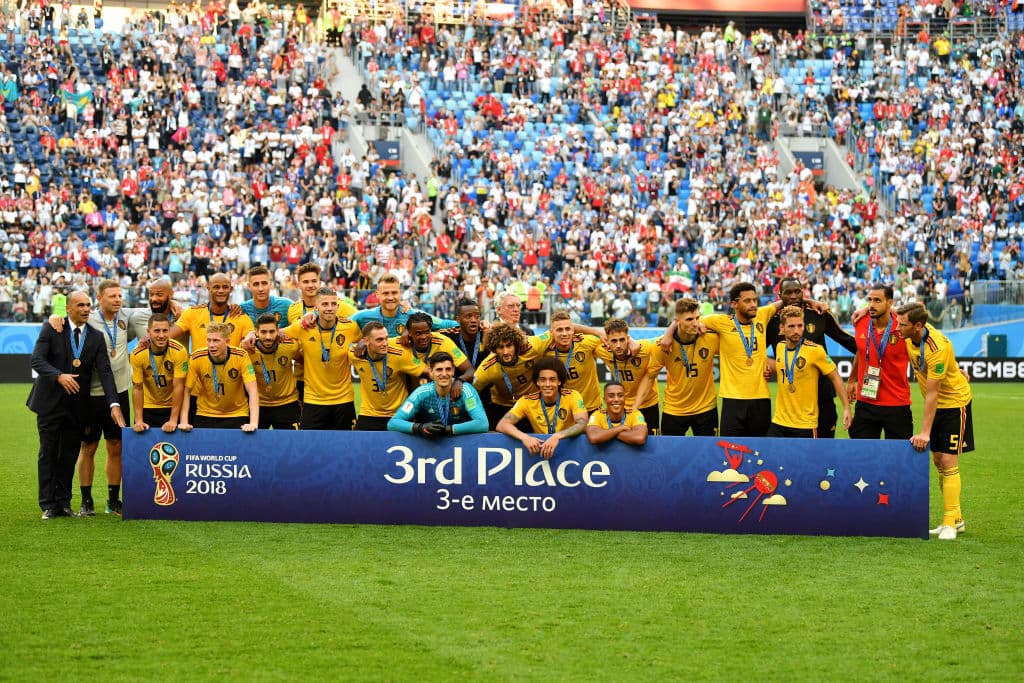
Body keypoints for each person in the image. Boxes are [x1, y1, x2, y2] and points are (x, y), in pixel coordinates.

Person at [28, 291, 124, 519]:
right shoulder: (52, 328)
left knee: (70, 454)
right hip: (50, 403)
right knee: (49, 452)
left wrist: (113, 402)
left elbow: (106, 372)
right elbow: (37, 360)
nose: (85, 309)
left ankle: (64, 502)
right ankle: (48, 504)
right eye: (80, 305)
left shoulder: (95, 337)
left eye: (88, 305)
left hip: (77, 406)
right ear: (68, 309)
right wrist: (58, 376)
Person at [896, 303, 974, 541]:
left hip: (953, 405)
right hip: (939, 406)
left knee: (949, 460)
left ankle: (949, 522)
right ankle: (956, 518)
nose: (898, 328)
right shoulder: (910, 334)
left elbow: (932, 394)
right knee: (938, 459)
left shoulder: (935, 346)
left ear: (917, 326)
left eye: (903, 324)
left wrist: (924, 433)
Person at [77, 279, 140, 516]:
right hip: (92, 394)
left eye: (119, 296)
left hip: (121, 391)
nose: (117, 300)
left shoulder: (126, 317)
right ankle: (86, 501)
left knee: (116, 445)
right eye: (112, 296)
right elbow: (64, 322)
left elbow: (153, 310)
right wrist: (54, 318)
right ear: (99, 297)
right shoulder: (87, 319)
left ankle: (113, 501)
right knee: (88, 446)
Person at [766, 278, 858, 437]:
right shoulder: (774, 321)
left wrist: (854, 379)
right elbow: (756, 351)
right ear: (780, 295)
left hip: (822, 395)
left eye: (797, 292)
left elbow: (851, 343)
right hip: (791, 403)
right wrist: (769, 366)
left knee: (823, 448)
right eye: (788, 293)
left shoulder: (819, 314)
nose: (794, 296)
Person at [700, 282, 778, 437]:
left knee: (759, 451)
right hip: (732, 400)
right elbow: (686, 320)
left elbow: (785, 300)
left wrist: (812, 302)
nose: (753, 304)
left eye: (755, 300)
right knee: (729, 450)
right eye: (747, 301)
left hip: (760, 399)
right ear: (734, 304)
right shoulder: (721, 322)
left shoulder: (762, 316)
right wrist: (698, 325)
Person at [282, 286, 361, 430]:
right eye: (325, 304)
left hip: (344, 400)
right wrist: (252, 335)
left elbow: (372, 332)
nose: (329, 308)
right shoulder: (303, 327)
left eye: (333, 304)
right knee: (309, 448)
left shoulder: (351, 327)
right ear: (316, 307)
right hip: (313, 401)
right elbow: (277, 334)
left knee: (346, 448)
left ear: (338, 306)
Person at [848, 284, 914, 440]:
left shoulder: (903, 326)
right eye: (869, 300)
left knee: (898, 460)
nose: (871, 305)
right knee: (862, 458)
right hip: (866, 402)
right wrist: (851, 380)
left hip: (897, 404)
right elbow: (861, 350)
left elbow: (924, 342)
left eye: (877, 300)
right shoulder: (860, 321)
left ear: (890, 303)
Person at [648, 298, 720, 436]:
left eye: (697, 318)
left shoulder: (710, 338)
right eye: (689, 319)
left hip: (706, 409)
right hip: (674, 409)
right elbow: (649, 377)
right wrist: (634, 407)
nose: (695, 323)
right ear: (677, 321)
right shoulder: (663, 345)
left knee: (709, 455)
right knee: (670, 455)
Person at [497, 356, 589, 459]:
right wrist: (524, 437)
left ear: (559, 382)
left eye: (552, 379)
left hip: (570, 450)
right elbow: (502, 424)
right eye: (543, 380)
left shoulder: (572, 396)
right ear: (537, 382)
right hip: (542, 452)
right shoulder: (526, 401)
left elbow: (583, 423)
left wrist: (557, 436)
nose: (547, 384)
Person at [179, 322, 258, 431]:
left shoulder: (241, 356)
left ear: (227, 342)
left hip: (236, 414)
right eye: (209, 340)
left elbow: (252, 391)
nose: (211, 345)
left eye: (216, 340)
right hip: (205, 413)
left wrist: (253, 423)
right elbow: (186, 391)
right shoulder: (197, 357)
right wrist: (184, 422)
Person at [388, 351, 489, 436]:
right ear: (431, 372)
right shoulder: (421, 393)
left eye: (448, 369)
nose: (444, 374)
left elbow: (482, 423)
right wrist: (420, 428)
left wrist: (449, 429)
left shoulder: (466, 391)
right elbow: (393, 423)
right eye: (439, 370)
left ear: (453, 370)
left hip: (461, 445)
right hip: (431, 445)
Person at [350, 321, 427, 430]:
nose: (385, 343)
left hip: (398, 414)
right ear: (366, 341)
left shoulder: (400, 356)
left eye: (386, 338)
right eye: (379, 340)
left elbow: (428, 371)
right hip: (369, 413)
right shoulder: (354, 354)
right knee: (357, 444)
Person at [593, 318, 660, 429]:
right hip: (621, 405)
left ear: (628, 339)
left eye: (622, 340)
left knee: (651, 443)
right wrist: (597, 332)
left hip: (648, 404)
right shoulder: (602, 350)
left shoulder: (645, 348)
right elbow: (572, 329)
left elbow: (666, 337)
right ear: (607, 341)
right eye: (614, 341)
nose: (618, 345)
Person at [473, 322, 541, 429]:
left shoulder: (533, 346)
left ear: (516, 344)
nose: (505, 352)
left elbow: (554, 333)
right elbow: (471, 391)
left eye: (509, 345)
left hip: (533, 403)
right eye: (500, 347)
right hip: (502, 406)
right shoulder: (486, 368)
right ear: (494, 349)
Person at [534, 310, 603, 413]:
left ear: (573, 331)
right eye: (559, 330)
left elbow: (614, 340)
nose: (564, 334)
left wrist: (598, 332)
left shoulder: (587, 343)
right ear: (551, 333)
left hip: (590, 407)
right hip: (563, 409)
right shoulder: (544, 351)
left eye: (567, 329)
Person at [349, 272, 458, 336]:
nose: (391, 297)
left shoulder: (413, 315)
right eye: (386, 293)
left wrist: (471, 323)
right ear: (377, 294)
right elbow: (340, 327)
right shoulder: (363, 316)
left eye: (394, 293)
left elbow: (445, 324)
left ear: (400, 293)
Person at [130, 313, 187, 433]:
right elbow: (137, 387)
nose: (161, 335)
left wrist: (173, 420)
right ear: (148, 332)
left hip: (172, 406)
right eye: (157, 331)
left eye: (165, 331)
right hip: (148, 406)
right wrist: (139, 420)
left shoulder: (179, 351)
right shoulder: (137, 354)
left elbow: (179, 386)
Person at [171, 272, 254, 350]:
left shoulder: (241, 317)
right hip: (200, 365)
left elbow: (252, 340)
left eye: (225, 287)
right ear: (209, 289)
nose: (221, 291)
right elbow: (168, 336)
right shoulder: (192, 313)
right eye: (216, 287)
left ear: (231, 289)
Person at [249, 313, 301, 429]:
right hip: (259, 405)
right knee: (254, 445)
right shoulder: (248, 350)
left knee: (292, 445)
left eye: (272, 332)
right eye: (263, 332)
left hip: (287, 404)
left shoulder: (290, 346)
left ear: (278, 331)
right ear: (256, 332)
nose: (268, 337)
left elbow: (302, 359)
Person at [402, 312, 473, 387]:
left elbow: (470, 370)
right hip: (411, 395)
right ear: (409, 333)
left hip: (440, 393)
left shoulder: (442, 342)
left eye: (427, 332)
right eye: (418, 333)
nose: (423, 337)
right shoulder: (403, 345)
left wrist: (460, 381)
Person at [287, 262, 357, 324]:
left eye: (314, 281)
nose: (310, 285)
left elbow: (363, 318)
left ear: (320, 283)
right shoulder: (292, 310)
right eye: (306, 282)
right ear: (298, 285)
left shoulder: (336, 305)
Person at [441, 297, 489, 368]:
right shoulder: (448, 335)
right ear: (458, 320)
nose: (473, 320)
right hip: (458, 378)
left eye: (477, 316)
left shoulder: (486, 334)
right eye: (468, 316)